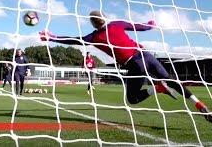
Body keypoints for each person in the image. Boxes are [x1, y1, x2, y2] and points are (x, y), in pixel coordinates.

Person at [39, 10, 212, 123]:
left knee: (132, 99)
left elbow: (74, 40)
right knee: (173, 81)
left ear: (93, 24)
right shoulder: (117, 24)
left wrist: (53, 37)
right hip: (147, 55)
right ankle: (198, 104)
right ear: (105, 17)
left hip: (135, 64)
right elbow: (140, 27)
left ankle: (157, 89)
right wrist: (150, 25)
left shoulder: (93, 36)